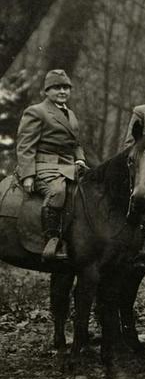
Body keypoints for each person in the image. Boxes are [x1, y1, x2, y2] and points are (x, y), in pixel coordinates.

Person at [16, 69, 87, 259]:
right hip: (44, 166)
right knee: (57, 192)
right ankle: (51, 240)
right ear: (47, 91)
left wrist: (80, 158)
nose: (62, 91)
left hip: (69, 166)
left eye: (65, 88)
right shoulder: (36, 111)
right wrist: (28, 175)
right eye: (57, 88)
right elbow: (25, 146)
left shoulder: (70, 114)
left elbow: (76, 143)